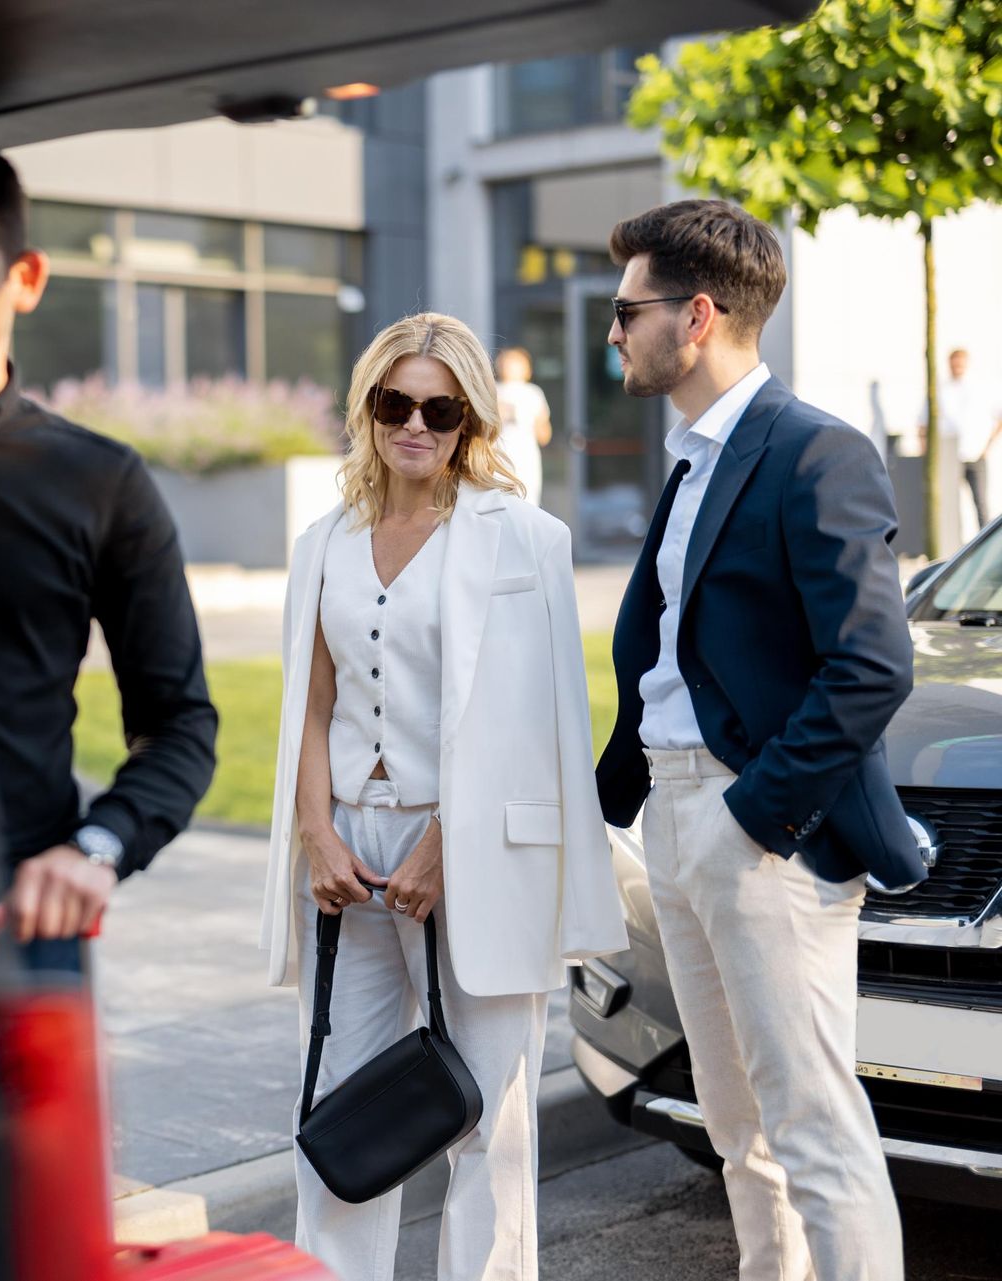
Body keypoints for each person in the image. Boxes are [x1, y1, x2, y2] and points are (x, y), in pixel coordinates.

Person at [260, 313, 627, 1280]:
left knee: (487, 1126)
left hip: (476, 858)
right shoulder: (324, 542)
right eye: (395, 403)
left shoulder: (527, 541)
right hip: (346, 853)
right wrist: (316, 832)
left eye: (440, 407)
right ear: (368, 411)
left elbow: (542, 724)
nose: (414, 424)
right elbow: (310, 702)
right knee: (338, 1111)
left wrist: (446, 846)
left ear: (470, 420)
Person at [595, 200, 919, 1281]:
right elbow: (672, 653)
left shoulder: (816, 451)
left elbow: (871, 666)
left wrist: (752, 817)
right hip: (678, 824)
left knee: (815, 1124)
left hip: (761, 831)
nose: (613, 332)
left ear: (695, 317)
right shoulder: (690, 460)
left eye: (627, 310)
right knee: (741, 1135)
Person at [0, 136, 217, 970]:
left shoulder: (101, 480)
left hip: (20, 933)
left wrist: (96, 846)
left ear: (25, 278)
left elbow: (178, 722)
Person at [918, 347, 1002, 535]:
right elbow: (922, 424)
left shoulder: (980, 389)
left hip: (975, 455)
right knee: (948, 505)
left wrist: (988, 447)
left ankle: (984, 546)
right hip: (948, 457)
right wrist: (926, 452)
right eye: (954, 363)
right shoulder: (939, 390)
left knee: (980, 503)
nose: (957, 367)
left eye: (960, 363)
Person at [493, 347, 551, 505]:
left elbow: (544, 434)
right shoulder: (493, 391)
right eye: (507, 363)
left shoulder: (533, 393)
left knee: (528, 501)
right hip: (497, 459)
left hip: (526, 458)